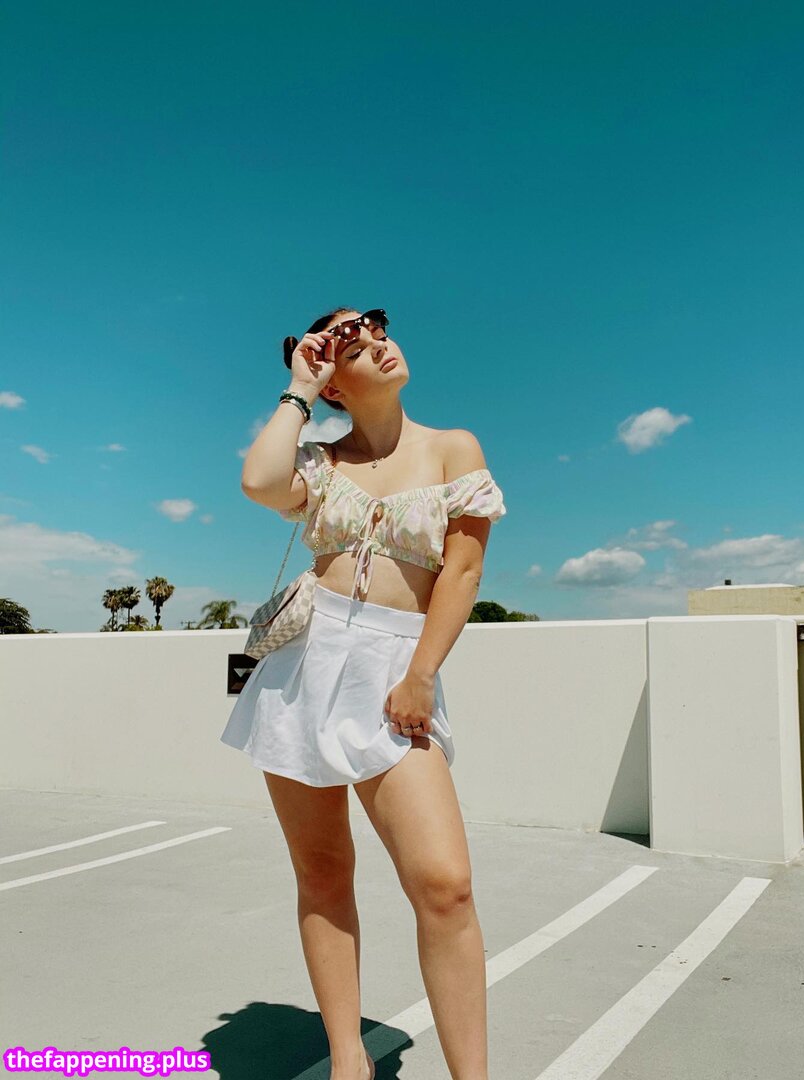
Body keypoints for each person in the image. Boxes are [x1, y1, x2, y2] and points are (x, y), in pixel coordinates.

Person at [220, 307, 506, 1080]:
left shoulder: (454, 448)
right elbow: (257, 481)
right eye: (350, 342)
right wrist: (298, 389)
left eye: (377, 328)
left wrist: (419, 675)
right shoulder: (317, 462)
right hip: (302, 669)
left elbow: (464, 571)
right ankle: (349, 1060)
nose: (376, 342)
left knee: (445, 886)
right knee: (322, 871)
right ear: (334, 383)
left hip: (397, 668)